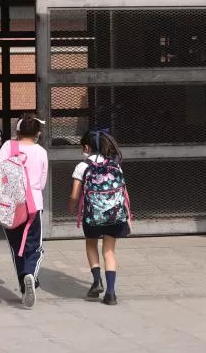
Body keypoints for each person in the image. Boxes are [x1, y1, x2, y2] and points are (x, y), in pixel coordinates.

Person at [0, 113, 48, 309]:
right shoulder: (41, 152)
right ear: (37, 132)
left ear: (17, 130)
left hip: (10, 207)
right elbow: (42, 183)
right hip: (33, 205)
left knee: (16, 247)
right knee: (34, 246)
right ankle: (30, 276)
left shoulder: (9, 147)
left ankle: (23, 285)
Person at [69, 129, 130, 306]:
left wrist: (72, 207)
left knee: (91, 244)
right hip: (114, 215)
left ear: (87, 147)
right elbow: (124, 191)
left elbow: (74, 193)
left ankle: (97, 281)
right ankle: (111, 293)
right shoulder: (115, 165)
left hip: (92, 215)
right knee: (109, 251)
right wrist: (127, 214)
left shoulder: (82, 166)